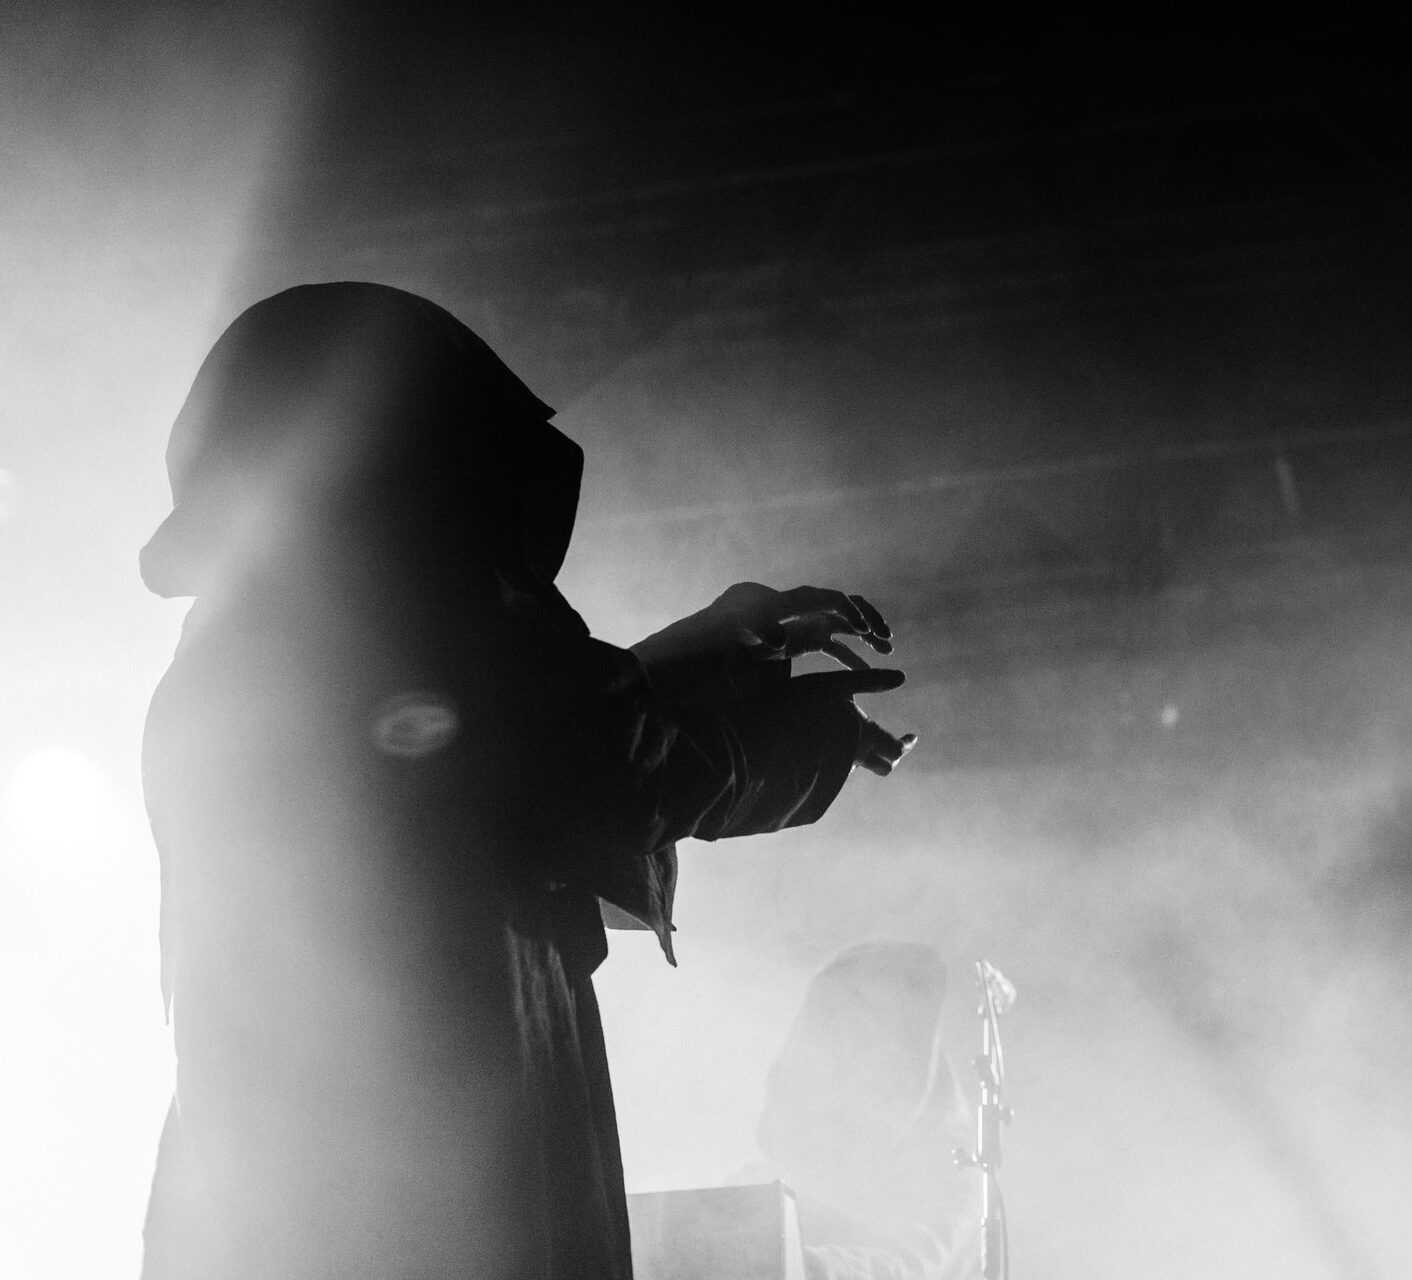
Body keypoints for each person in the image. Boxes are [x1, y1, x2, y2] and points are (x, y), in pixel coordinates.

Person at [136, 282, 913, 1280]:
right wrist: (809, 735)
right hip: (434, 1173)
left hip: (286, 1189)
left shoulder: (243, 650)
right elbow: (600, 768)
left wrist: (694, 651)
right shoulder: (394, 626)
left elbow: (512, 740)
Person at [744, 941, 979, 1280]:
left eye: (863, 1030)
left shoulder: (954, 1167)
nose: (843, 1048)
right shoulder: (815, 1151)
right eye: (832, 1026)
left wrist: (811, 1266)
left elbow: (917, 1262)